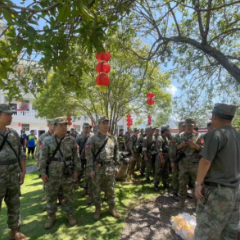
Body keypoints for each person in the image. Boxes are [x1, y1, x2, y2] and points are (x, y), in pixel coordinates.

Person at [194, 103, 240, 240]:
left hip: (217, 192)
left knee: (206, 232)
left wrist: (198, 183)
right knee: (228, 232)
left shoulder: (215, 134)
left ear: (214, 116)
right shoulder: (237, 136)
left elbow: (205, 161)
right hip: (235, 191)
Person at [39, 117, 80, 229]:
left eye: (65, 125)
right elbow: (43, 158)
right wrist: (43, 173)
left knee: (69, 195)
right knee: (51, 196)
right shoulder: (47, 141)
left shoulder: (71, 140)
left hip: (67, 173)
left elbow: (76, 158)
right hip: (52, 175)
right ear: (54, 127)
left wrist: (76, 170)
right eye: (61, 125)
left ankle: (69, 215)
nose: (64, 127)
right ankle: (51, 216)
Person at [0, 104, 27, 240]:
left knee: (14, 203)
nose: (10, 117)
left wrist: (23, 171)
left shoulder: (14, 134)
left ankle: (15, 231)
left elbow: (21, 153)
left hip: (13, 174)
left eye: (11, 114)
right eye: (7, 114)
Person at [87, 116, 120, 221]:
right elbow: (90, 156)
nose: (106, 125)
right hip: (98, 168)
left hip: (110, 168)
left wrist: (117, 166)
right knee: (97, 190)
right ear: (99, 125)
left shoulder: (113, 138)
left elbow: (116, 154)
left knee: (110, 189)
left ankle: (111, 208)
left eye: (107, 123)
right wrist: (91, 169)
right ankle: (98, 209)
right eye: (103, 123)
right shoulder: (93, 139)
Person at [171, 118, 204, 208]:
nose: (189, 127)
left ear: (194, 125)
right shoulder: (179, 136)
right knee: (182, 182)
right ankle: (181, 202)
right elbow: (174, 148)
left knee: (196, 184)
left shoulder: (199, 136)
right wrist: (182, 145)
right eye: (188, 125)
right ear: (185, 125)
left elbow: (202, 149)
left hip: (195, 164)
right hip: (183, 164)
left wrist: (193, 144)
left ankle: (196, 204)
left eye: (191, 125)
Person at [76, 122, 92, 202]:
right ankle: (78, 182)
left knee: (88, 173)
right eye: (86, 128)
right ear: (83, 128)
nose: (87, 129)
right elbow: (76, 147)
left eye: (88, 128)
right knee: (80, 170)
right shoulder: (79, 136)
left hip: (89, 158)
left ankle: (86, 188)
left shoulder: (92, 136)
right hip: (81, 157)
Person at [169, 121, 186, 201]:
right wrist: (173, 161)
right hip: (177, 160)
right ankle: (175, 192)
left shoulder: (187, 136)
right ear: (179, 127)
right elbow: (172, 151)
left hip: (185, 161)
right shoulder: (175, 137)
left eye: (185, 126)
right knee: (175, 176)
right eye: (183, 126)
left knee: (183, 177)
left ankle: (183, 192)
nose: (184, 127)